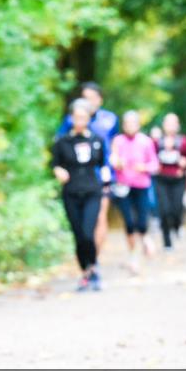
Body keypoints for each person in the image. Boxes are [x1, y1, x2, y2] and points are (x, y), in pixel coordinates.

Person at [57, 82, 118, 257]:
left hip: (101, 176)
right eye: (85, 97)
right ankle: (89, 260)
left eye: (91, 97)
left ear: (100, 99)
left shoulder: (110, 119)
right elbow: (60, 144)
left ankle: (94, 261)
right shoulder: (71, 120)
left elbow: (115, 144)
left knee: (99, 218)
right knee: (82, 226)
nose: (88, 101)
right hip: (77, 179)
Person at [52, 99, 107, 291]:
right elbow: (55, 163)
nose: (79, 120)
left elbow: (104, 165)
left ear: (89, 119)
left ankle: (93, 267)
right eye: (76, 117)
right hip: (71, 192)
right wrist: (58, 171)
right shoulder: (62, 141)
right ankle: (85, 271)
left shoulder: (97, 141)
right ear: (71, 119)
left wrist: (107, 187)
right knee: (78, 234)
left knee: (87, 231)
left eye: (83, 117)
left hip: (92, 191)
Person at [109, 111, 159, 273]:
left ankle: (145, 237)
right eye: (127, 123)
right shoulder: (117, 141)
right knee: (129, 223)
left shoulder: (146, 142)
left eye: (133, 123)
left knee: (142, 221)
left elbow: (155, 165)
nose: (130, 126)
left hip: (141, 186)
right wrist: (117, 163)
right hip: (123, 187)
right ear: (124, 125)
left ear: (138, 124)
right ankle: (133, 256)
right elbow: (112, 160)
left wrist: (143, 167)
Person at [153, 113, 186, 251]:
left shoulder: (184, 141)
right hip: (161, 179)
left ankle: (177, 225)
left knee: (176, 208)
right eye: (168, 123)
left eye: (173, 123)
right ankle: (167, 240)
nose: (170, 126)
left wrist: (184, 163)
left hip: (178, 179)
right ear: (163, 125)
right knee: (164, 209)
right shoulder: (157, 141)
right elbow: (152, 157)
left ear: (178, 125)